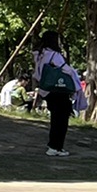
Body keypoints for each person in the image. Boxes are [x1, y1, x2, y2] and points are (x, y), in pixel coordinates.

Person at [33, 30, 83, 158]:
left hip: (48, 90)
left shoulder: (39, 55)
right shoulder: (54, 55)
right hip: (59, 90)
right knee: (61, 120)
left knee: (55, 119)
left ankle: (53, 145)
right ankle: (56, 146)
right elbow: (66, 70)